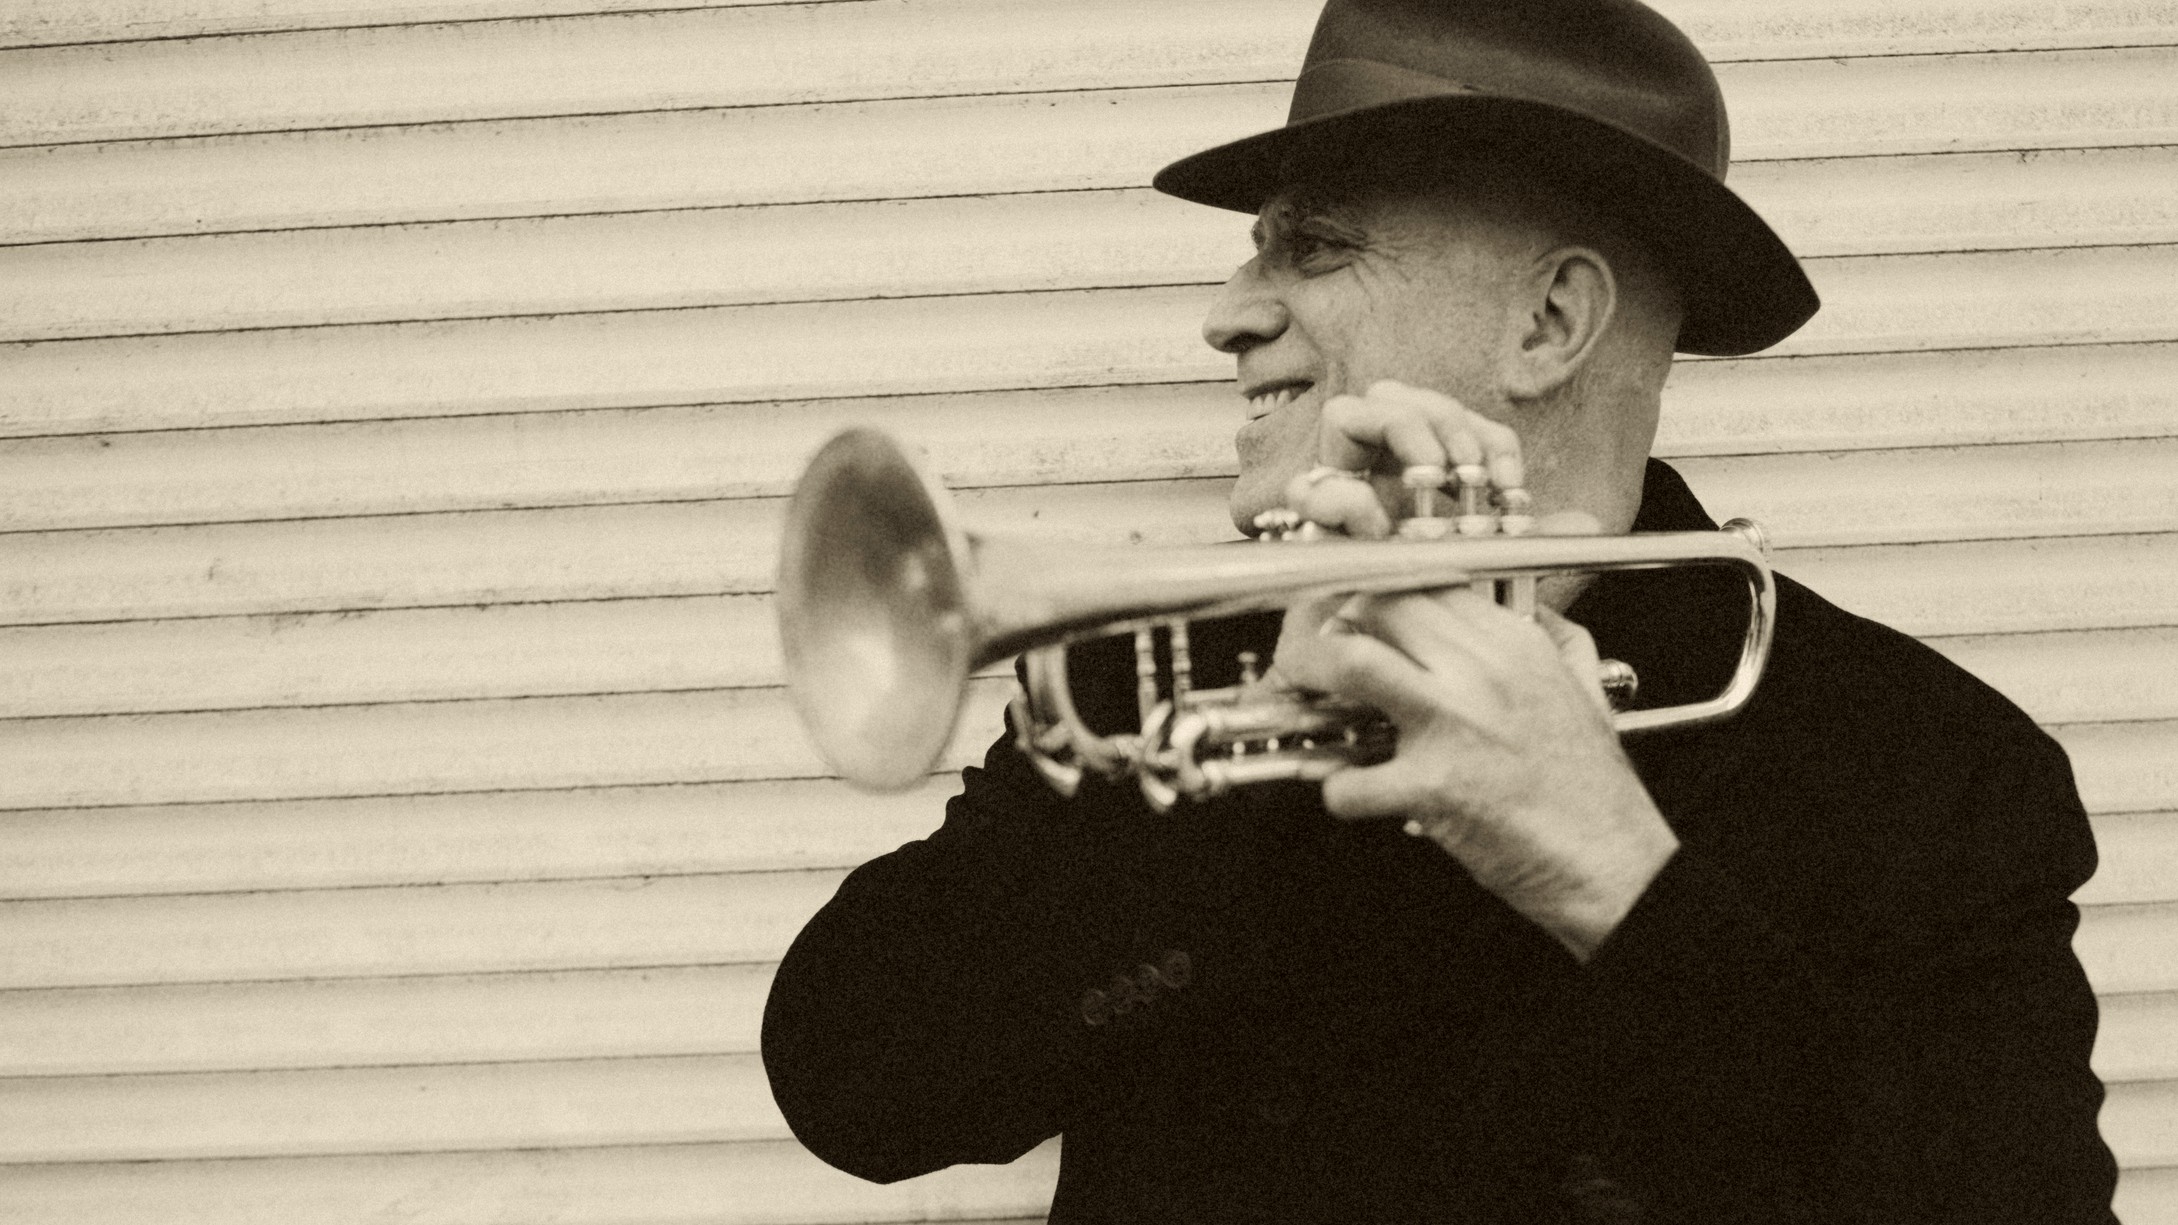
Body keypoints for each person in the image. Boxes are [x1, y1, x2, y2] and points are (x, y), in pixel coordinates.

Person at [763, 0, 2118, 1219]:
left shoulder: (1930, 774)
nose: (1227, 314)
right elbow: (856, 1084)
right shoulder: (1150, 684)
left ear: (1546, 324)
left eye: (1313, 249)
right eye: (1253, 256)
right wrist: (1256, 789)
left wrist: (1611, 877)